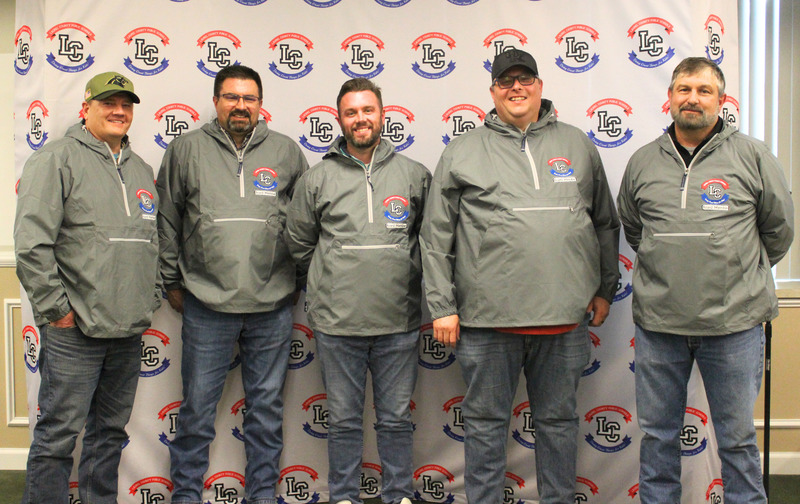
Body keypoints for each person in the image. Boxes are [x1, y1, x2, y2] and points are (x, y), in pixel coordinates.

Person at [420, 48, 620, 504]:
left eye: (525, 79)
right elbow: (435, 237)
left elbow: (604, 222)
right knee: (486, 428)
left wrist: (604, 289)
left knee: (558, 425)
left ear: (540, 86)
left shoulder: (577, 145)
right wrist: (442, 306)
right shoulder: (464, 150)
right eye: (506, 81)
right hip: (487, 322)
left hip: (565, 320)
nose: (516, 88)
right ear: (492, 92)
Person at [617, 57, 794, 504]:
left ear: (721, 100)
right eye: (683, 89)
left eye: (703, 90)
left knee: (735, 441)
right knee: (658, 438)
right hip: (660, 326)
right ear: (670, 98)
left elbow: (779, 230)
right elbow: (636, 231)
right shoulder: (642, 162)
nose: (691, 98)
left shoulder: (752, 156)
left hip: (734, 326)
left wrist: (737, 270)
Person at [157, 64, 308, 504]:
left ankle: (261, 496)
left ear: (261, 105)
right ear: (217, 101)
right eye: (231, 97)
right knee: (197, 413)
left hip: (272, 306)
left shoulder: (285, 152)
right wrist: (171, 280)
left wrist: (296, 278)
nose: (240, 106)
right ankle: (185, 495)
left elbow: (302, 224)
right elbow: (166, 218)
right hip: (206, 304)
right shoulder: (186, 150)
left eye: (249, 98)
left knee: (265, 415)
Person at [15, 71, 160, 504]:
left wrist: (148, 298)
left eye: (126, 104)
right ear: (86, 108)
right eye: (108, 103)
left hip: (127, 330)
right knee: (58, 437)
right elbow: (31, 244)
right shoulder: (55, 159)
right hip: (73, 331)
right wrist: (57, 310)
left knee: (109, 433)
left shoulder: (141, 170)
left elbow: (153, 243)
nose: (119, 111)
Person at [285, 78, 430, 504]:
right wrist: (333, 276)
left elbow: (431, 243)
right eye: (351, 112)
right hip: (337, 323)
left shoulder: (414, 175)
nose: (360, 119)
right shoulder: (317, 179)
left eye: (368, 110)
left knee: (396, 419)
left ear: (383, 114)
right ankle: (344, 496)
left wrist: (400, 272)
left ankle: (400, 495)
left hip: (398, 322)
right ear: (340, 119)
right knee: (345, 420)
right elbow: (298, 242)